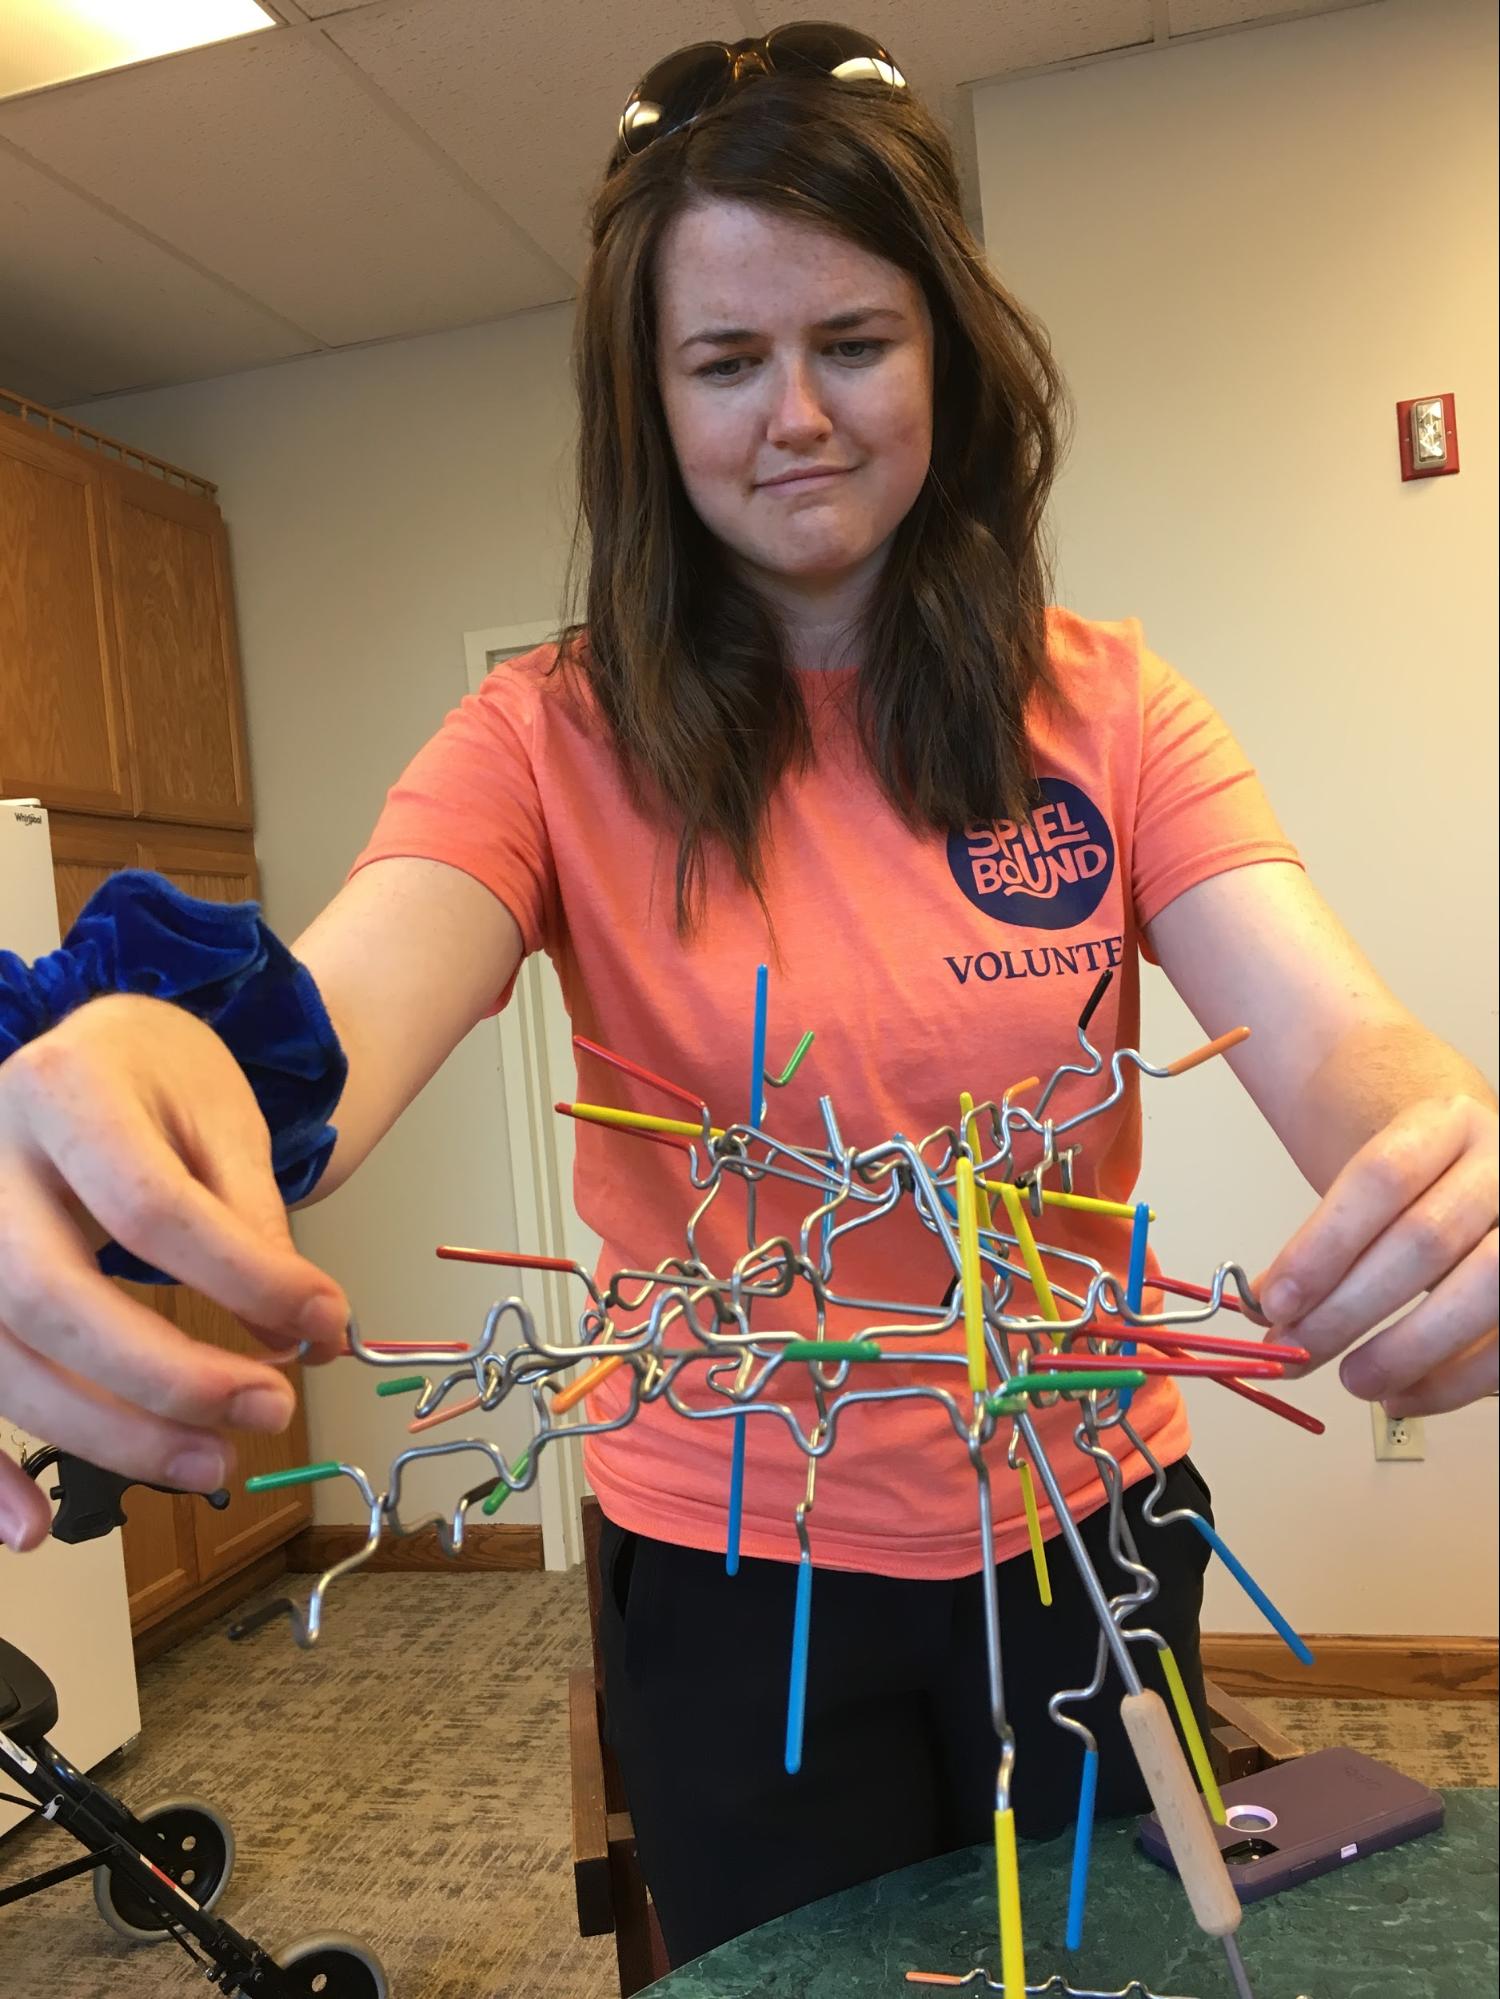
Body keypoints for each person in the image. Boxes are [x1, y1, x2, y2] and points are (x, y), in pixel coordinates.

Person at [0, 22, 1494, 1966]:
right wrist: (148, 1056)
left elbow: (1327, 1032)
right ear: (650, 400)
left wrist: (1436, 1148)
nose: (795, 410)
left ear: (951, 354)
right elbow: (328, 1017)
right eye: (724, 360)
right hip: (729, 1569)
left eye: (853, 342)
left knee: (1132, 1956)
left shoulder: (1114, 709)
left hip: (1092, 1534)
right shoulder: (541, 738)